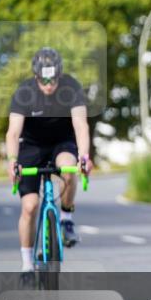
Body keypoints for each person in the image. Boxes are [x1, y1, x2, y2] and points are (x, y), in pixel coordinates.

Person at [5, 47, 92, 282]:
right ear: (36, 76)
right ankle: (26, 265)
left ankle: (66, 219)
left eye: (53, 79)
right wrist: (12, 161)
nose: (49, 84)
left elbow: (81, 125)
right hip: (31, 146)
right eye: (44, 80)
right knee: (30, 206)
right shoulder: (24, 92)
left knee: (68, 168)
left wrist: (84, 155)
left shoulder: (71, 87)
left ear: (60, 75)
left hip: (61, 143)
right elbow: (13, 133)